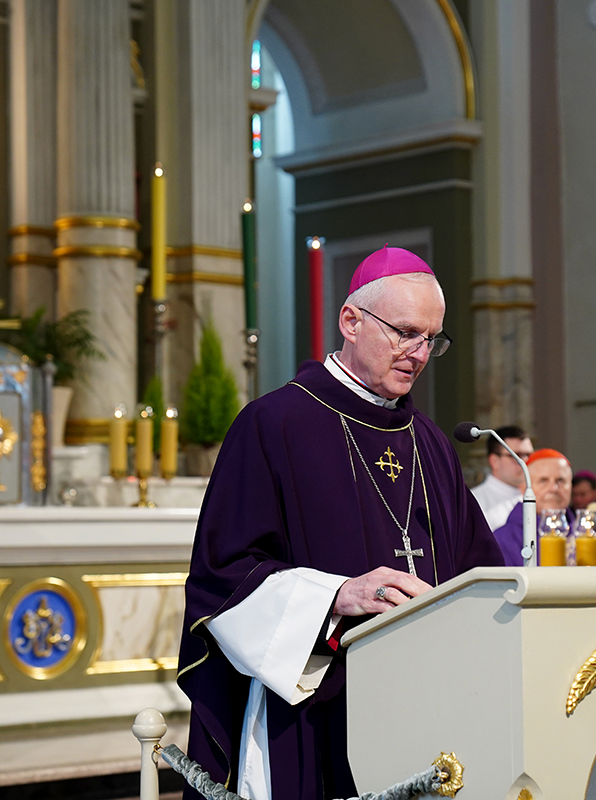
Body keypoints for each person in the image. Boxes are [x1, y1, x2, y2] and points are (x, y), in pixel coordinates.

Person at [176, 246, 502, 800]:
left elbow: (477, 573)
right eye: (405, 333)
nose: (420, 354)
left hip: (428, 703)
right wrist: (336, 596)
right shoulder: (275, 424)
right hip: (313, 708)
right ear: (351, 321)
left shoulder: (430, 443)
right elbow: (222, 577)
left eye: (432, 339)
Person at [492, 449, 596, 566]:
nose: (554, 488)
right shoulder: (503, 538)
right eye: (543, 481)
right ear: (523, 488)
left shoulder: (586, 533)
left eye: (561, 481)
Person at [469, 424, 533, 530]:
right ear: (494, 461)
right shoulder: (474, 502)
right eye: (516, 456)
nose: (525, 461)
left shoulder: (542, 496)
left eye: (529, 455)